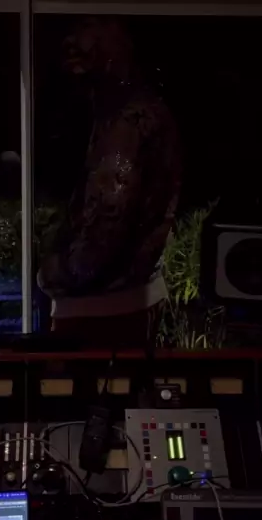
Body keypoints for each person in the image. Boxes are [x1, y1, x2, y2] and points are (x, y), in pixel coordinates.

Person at [37, 17, 182, 348]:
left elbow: (108, 218)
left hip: (104, 312)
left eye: (84, 38)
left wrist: (56, 271)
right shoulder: (135, 113)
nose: (70, 49)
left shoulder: (126, 123)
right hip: (123, 302)